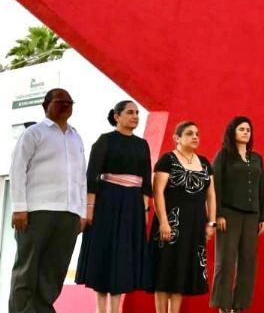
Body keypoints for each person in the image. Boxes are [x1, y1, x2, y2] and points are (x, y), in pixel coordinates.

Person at [8, 88, 87, 313]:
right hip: (36, 211)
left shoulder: (76, 137)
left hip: (69, 215)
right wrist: (19, 208)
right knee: (27, 268)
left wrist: (81, 213)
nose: (65, 105)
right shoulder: (34, 133)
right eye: (59, 101)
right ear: (46, 105)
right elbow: (17, 168)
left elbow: (81, 177)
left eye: (69, 102)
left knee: (54, 269)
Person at [76, 100, 153, 313]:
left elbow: (146, 180)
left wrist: (144, 210)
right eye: (130, 112)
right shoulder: (105, 140)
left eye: (137, 112)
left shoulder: (142, 144)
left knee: (124, 255)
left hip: (132, 205)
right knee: (105, 253)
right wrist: (89, 208)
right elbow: (92, 176)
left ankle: (116, 310)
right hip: (107, 203)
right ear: (117, 116)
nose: (135, 116)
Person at [150, 121, 217, 313]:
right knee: (164, 273)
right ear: (177, 138)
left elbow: (211, 195)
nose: (195, 137)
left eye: (197, 133)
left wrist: (211, 222)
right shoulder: (167, 160)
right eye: (189, 134)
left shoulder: (204, 163)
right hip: (171, 224)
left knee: (181, 274)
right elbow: (158, 192)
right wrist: (163, 221)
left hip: (195, 226)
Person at [210, 117, 264, 313]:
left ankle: (240, 306)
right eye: (241, 129)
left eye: (248, 130)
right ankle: (223, 306)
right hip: (228, 215)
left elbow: (262, 189)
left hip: (252, 216)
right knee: (225, 262)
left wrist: (263, 217)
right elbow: (214, 187)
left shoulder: (257, 158)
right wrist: (217, 215)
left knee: (248, 262)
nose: (246, 132)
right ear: (232, 132)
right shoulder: (223, 156)